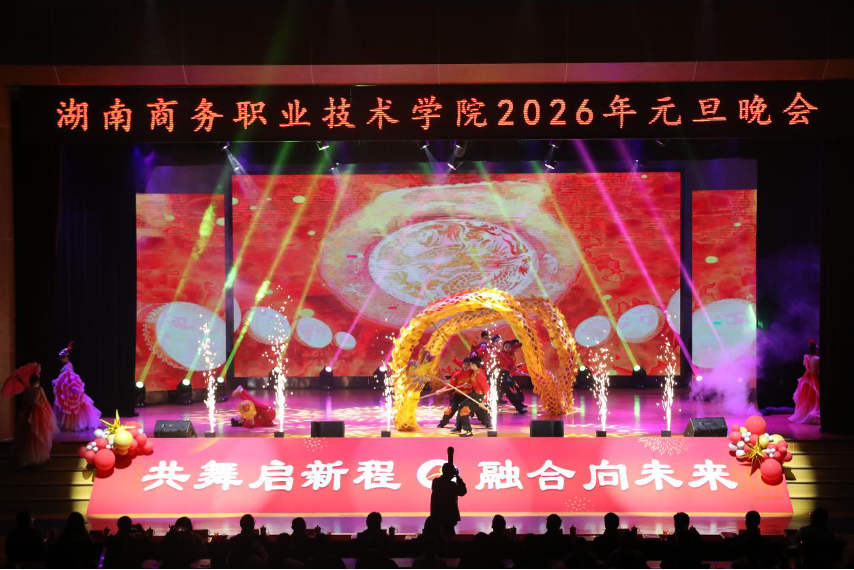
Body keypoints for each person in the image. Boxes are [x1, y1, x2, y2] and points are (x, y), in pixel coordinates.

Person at [7, 364, 59, 468]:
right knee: (38, 432)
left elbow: (24, 401)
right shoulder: (39, 389)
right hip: (37, 411)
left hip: (27, 411)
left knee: (28, 434)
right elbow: (44, 400)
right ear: (37, 381)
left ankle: (27, 457)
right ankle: (37, 458)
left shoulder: (26, 390)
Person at [52, 342, 102, 431]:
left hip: (70, 389)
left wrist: (59, 382)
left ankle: (76, 424)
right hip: (67, 390)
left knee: (74, 407)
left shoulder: (68, 366)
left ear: (67, 357)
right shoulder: (67, 365)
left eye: (62, 357)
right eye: (60, 358)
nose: (61, 359)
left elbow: (70, 378)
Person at [452, 357, 492, 436]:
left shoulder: (480, 375)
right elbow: (475, 385)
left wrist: (483, 402)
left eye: (470, 364)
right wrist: (468, 385)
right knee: (461, 406)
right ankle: (458, 428)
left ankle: (468, 431)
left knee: (464, 411)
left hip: (479, 396)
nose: (469, 366)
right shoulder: (475, 372)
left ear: (474, 365)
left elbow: (487, 389)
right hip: (475, 394)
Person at [430, 462, 467, 535]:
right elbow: (463, 491)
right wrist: (458, 477)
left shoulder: (436, 482)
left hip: (437, 516)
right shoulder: (451, 485)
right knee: (450, 537)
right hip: (448, 517)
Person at [790, 339, 820, 424]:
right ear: (816, 350)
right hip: (813, 378)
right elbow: (817, 371)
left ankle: (807, 413)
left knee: (807, 397)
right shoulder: (817, 359)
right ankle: (811, 414)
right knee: (814, 398)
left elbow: (806, 367)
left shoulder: (806, 357)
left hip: (806, 378)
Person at [496, 340, 528, 414]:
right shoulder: (501, 354)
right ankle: (519, 407)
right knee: (510, 393)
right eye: (506, 347)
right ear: (503, 347)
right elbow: (504, 366)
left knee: (516, 388)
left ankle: (520, 404)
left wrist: (517, 368)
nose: (507, 348)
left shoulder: (510, 354)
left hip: (506, 374)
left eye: (509, 347)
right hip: (500, 376)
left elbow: (511, 367)